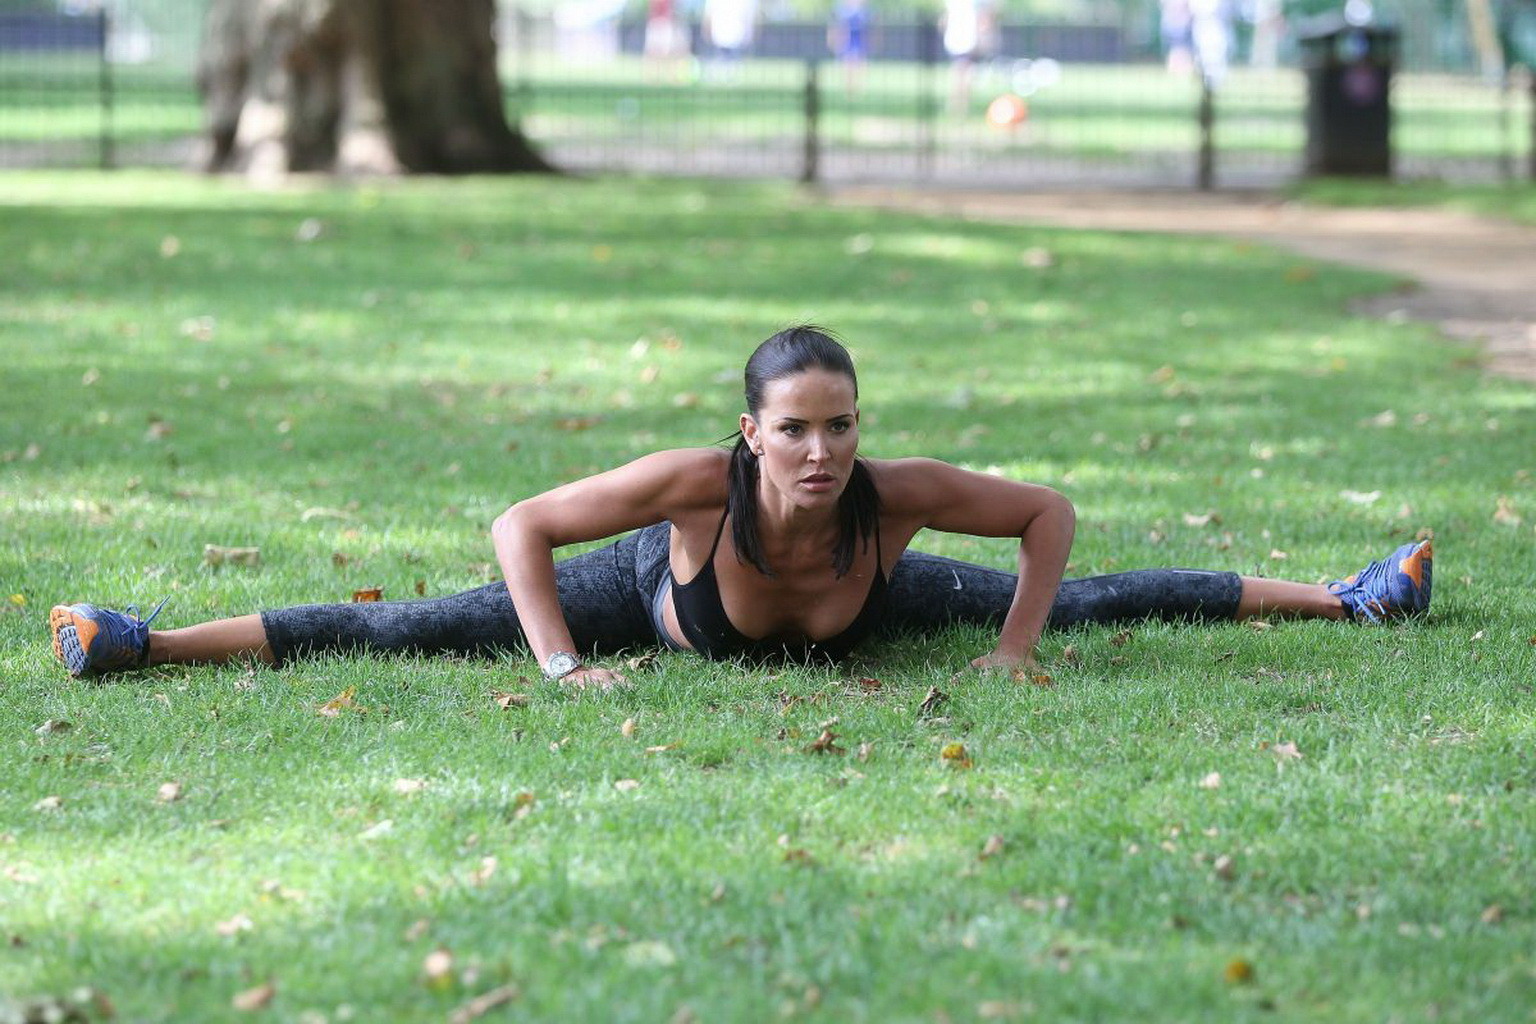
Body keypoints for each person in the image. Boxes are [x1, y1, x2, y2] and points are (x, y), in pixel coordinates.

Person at [48, 326, 1433, 692]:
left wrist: (1013, 651)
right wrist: (564, 661)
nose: (820, 449)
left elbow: (1050, 515)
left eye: (839, 424)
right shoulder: (693, 491)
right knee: (412, 627)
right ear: (751, 432)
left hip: (868, 613)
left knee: (1099, 598)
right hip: (658, 609)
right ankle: (139, 644)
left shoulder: (892, 502)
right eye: (795, 428)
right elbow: (519, 526)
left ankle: (1356, 596)